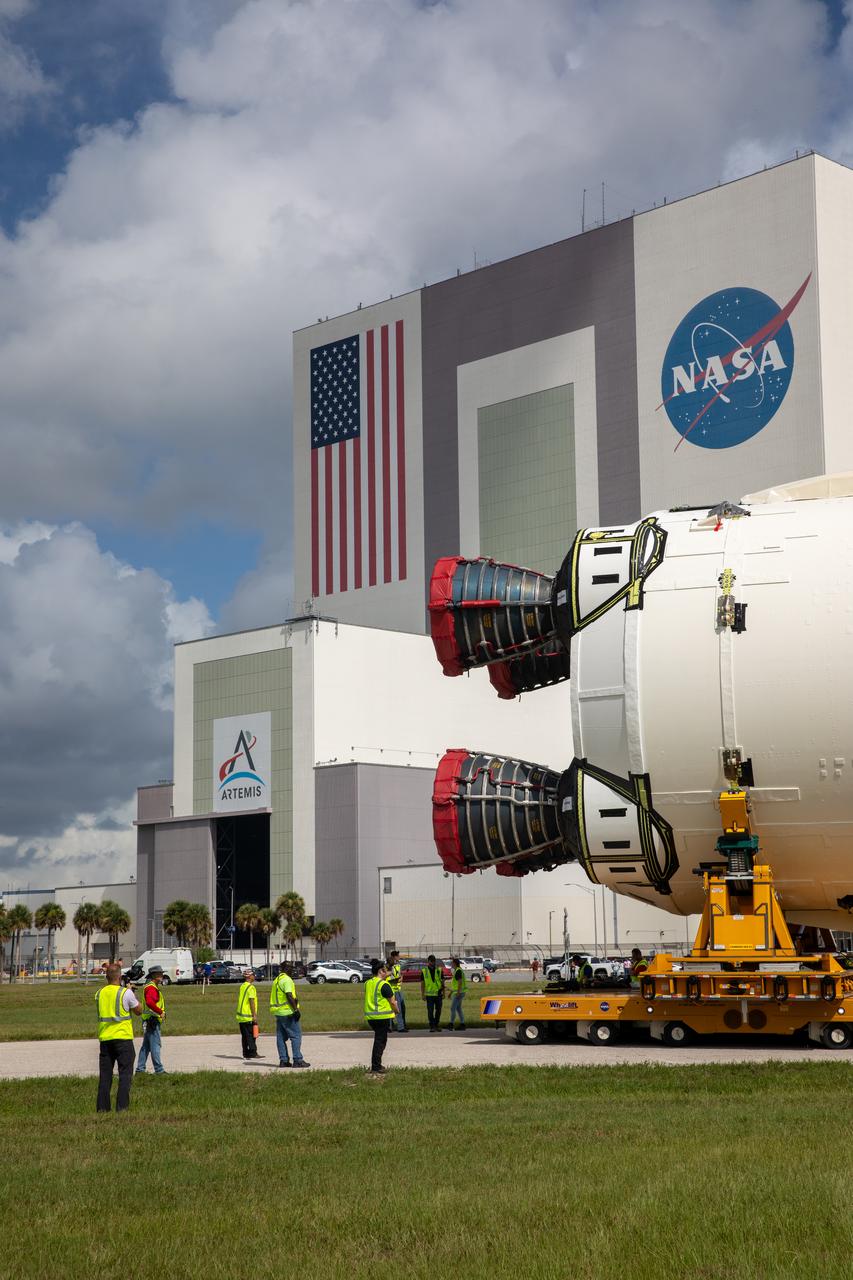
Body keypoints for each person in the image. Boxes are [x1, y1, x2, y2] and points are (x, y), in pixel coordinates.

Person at [96, 963, 141, 1112]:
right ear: (120, 977)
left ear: (106, 977)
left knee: (105, 1076)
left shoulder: (99, 993)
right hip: (123, 1039)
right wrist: (131, 992)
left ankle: (102, 1109)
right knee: (125, 1075)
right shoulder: (125, 993)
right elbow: (139, 1011)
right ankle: (122, 1108)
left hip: (105, 1039)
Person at [270, 961, 310, 1068]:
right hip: (288, 1012)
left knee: (281, 1037)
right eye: (291, 968)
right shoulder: (287, 980)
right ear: (287, 969)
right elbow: (289, 995)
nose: (292, 970)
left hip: (278, 1012)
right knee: (296, 1036)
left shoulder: (277, 980)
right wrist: (296, 1010)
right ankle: (297, 1060)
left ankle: (283, 1060)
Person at [364, 959, 399, 1075]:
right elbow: (393, 1002)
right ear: (381, 971)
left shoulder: (368, 983)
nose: (387, 972)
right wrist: (397, 1011)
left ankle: (377, 1064)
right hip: (382, 1018)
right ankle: (376, 1066)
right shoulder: (384, 985)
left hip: (371, 1018)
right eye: (385, 970)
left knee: (379, 1040)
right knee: (380, 1042)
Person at [136, 965, 167, 1075]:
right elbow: (150, 1002)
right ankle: (159, 1070)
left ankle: (140, 1070)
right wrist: (160, 1012)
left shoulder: (150, 987)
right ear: (154, 976)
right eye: (160, 974)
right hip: (152, 1020)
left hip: (148, 1020)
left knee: (146, 1046)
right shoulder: (151, 988)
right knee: (155, 1045)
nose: (162, 975)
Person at [236, 968, 260, 1059]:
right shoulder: (251, 987)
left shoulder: (242, 986)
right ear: (250, 976)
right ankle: (253, 1052)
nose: (254, 976)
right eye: (253, 975)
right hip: (248, 1016)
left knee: (244, 1036)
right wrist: (254, 1015)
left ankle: (245, 1053)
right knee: (251, 1035)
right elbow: (251, 1001)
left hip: (240, 1016)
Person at [421, 954, 445, 1032]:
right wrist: (423, 994)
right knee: (430, 1011)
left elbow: (442, 982)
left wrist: (444, 993)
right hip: (429, 995)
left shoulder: (439, 970)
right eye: (431, 961)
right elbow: (422, 983)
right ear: (428, 961)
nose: (432, 963)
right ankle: (432, 1026)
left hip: (438, 994)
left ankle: (436, 1025)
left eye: (434, 961)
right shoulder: (424, 971)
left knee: (438, 1010)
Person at [387, 950, 408, 1032]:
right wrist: (397, 980)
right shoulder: (388, 966)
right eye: (398, 956)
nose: (399, 957)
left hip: (398, 990)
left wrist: (401, 977)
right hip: (392, 990)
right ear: (394, 957)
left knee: (402, 1008)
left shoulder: (398, 965)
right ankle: (399, 1027)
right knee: (396, 1009)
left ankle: (400, 1025)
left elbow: (399, 975)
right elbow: (388, 979)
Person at [447, 956, 467, 1030]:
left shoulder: (458, 971)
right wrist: (450, 993)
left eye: (452, 963)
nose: (451, 964)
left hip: (459, 993)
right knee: (458, 1008)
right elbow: (455, 985)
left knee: (453, 1008)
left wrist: (458, 992)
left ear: (455, 963)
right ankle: (462, 1024)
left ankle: (451, 1024)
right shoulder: (457, 970)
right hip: (459, 992)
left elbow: (460, 982)